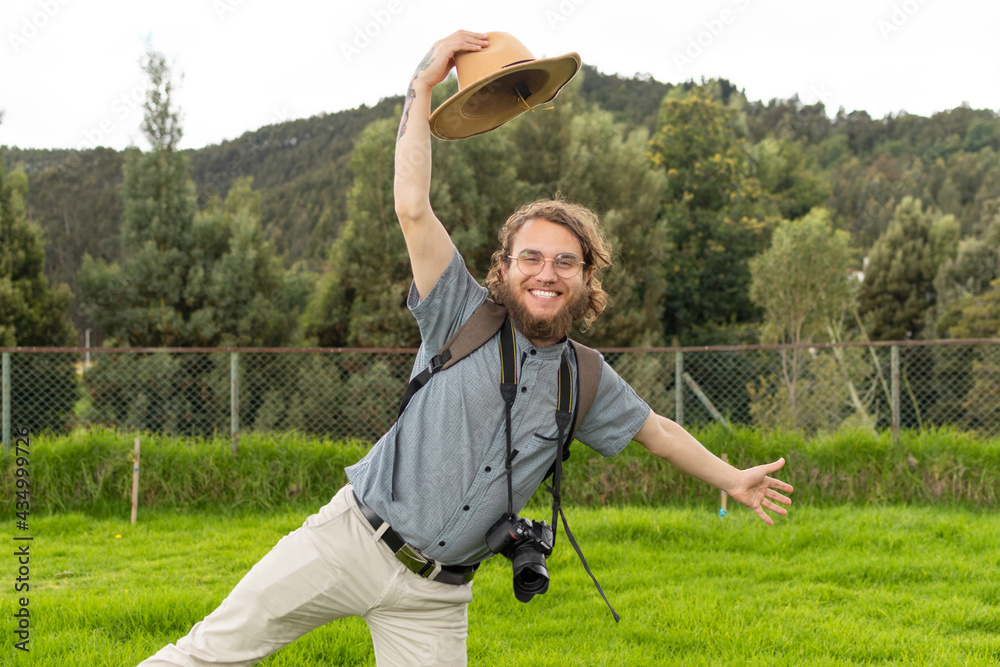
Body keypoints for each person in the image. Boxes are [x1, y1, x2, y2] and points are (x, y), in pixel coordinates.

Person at [138, 30, 793, 667]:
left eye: (566, 261)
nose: (546, 271)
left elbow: (659, 432)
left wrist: (733, 478)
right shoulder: (460, 309)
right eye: (530, 257)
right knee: (208, 653)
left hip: (436, 595)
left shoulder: (585, 380)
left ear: (588, 279)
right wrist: (422, 85)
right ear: (502, 268)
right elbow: (413, 207)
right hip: (350, 541)